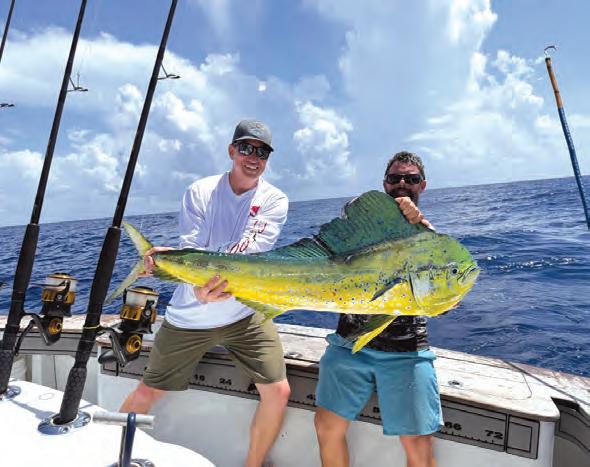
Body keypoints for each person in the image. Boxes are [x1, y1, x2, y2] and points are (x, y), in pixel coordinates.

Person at [120, 119, 291, 467]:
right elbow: (193, 248)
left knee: (278, 391)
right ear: (232, 150)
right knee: (149, 389)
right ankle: (108, 450)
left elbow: (249, 250)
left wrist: (194, 273)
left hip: (245, 313)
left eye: (262, 152)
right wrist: (195, 288)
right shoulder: (200, 191)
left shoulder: (275, 199)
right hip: (189, 317)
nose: (253, 157)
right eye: (246, 148)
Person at [314, 151, 440, 467]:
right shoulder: (363, 228)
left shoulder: (428, 236)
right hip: (349, 345)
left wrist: (420, 223)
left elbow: (444, 296)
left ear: (422, 185)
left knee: (419, 446)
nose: (402, 184)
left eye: (411, 179)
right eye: (395, 178)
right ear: (385, 184)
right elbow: (352, 208)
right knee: (327, 427)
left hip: (407, 352)